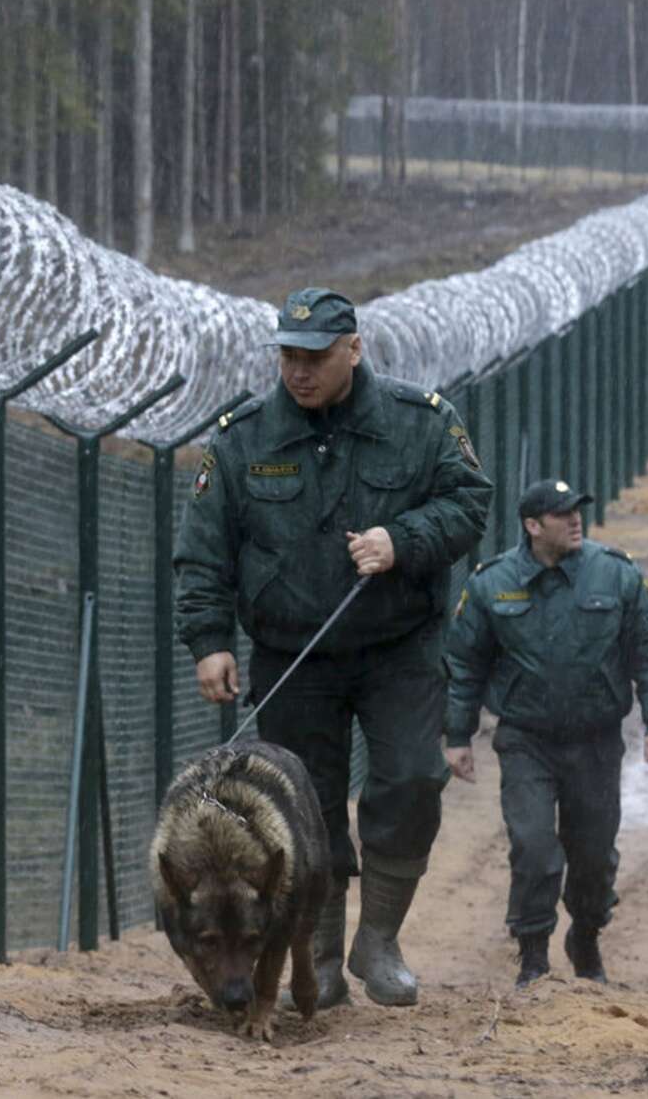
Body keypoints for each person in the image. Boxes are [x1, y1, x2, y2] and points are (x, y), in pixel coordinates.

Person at [174, 287, 493, 1007]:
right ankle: (316, 954)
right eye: (289, 356)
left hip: (397, 646)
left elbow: (470, 503)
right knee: (302, 810)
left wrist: (400, 540)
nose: (300, 371)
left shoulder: (421, 424)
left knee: (412, 779)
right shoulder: (241, 438)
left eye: (315, 356)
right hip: (293, 654)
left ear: (354, 349)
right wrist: (208, 641)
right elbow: (203, 550)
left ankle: (378, 938)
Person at [442, 478, 648, 988]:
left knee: (593, 853)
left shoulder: (614, 574)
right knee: (533, 847)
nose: (575, 521)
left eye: (577, 511)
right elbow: (465, 665)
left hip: (595, 740)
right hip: (527, 740)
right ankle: (533, 957)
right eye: (561, 514)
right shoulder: (491, 584)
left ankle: (586, 936)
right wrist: (457, 735)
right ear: (532, 526)